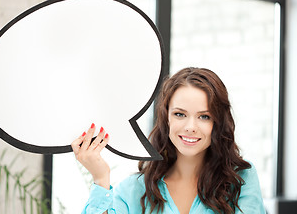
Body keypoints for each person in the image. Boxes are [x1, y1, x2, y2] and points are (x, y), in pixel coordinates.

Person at [71, 67, 266, 214]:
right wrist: (100, 178)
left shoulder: (240, 179)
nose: (190, 126)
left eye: (204, 116)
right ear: (166, 118)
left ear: (218, 122)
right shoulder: (135, 189)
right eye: (180, 114)